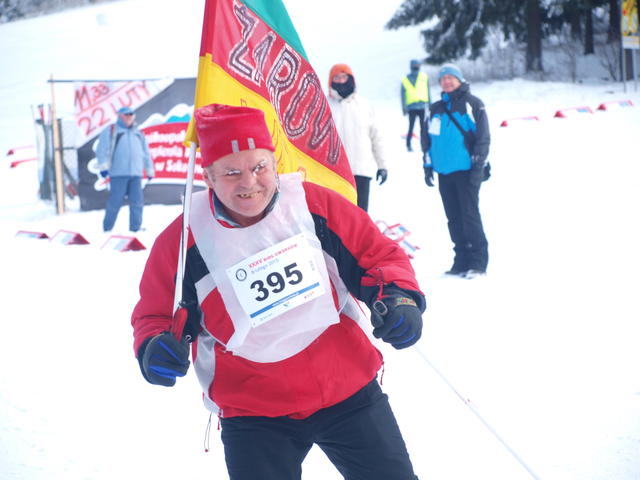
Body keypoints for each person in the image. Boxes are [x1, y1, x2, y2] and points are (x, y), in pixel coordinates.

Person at [131, 104, 426, 480]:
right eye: (232, 172)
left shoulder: (313, 206)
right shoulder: (185, 238)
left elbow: (377, 256)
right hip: (254, 411)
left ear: (274, 163)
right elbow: (155, 313)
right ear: (208, 177)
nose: (249, 182)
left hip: (346, 386)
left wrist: (399, 298)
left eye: (259, 167)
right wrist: (154, 346)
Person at [420, 64, 490, 278]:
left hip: (467, 171)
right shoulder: (435, 109)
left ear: (459, 80)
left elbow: (483, 138)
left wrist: (478, 167)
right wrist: (427, 165)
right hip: (444, 172)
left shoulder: (473, 104)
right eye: (443, 79)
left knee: (469, 216)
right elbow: (426, 140)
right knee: (453, 218)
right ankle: (461, 261)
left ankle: (477, 262)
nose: (447, 82)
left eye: (451, 78)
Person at [327, 63, 389, 212]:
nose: (341, 81)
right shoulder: (324, 105)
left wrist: (382, 166)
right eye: (337, 77)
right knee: (337, 218)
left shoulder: (364, 105)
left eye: (344, 77)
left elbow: (376, 138)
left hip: (361, 170)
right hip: (334, 173)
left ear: (351, 79)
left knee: (360, 217)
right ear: (331, 81)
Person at [95, 106, 154, 233]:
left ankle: (135, 228)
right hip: (118, 173)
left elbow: (146, 153)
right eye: (126, 115)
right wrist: (103, 167)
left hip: (136, 174)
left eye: (131, 114)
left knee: (137, 202)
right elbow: (101, 150)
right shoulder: (111, 130)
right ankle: (107, 228)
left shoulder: (138, 133)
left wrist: (149, 169)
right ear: (120, 116)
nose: (129, 117)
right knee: (114, 202)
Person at [401, 59, 430, 152]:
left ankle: (422, 144)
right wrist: (404, 107)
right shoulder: (406, 79)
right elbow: (403, 95)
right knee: (413, 127)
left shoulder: (424, 77)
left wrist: (430, 104)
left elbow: (428, 91)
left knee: (422, 127)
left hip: (421, 107)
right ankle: (409, 144)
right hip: (412, 108)